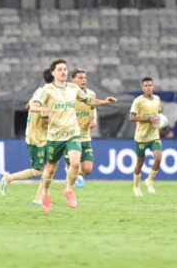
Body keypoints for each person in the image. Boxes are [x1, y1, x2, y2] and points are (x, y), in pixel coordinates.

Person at [30, 59, 116, 213]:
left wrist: (103, 101)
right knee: (50, 170)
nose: (63, 72)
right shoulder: (47, 89)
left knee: (75, 163)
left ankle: (69, 190)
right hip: (55, 136)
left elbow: (88, 100)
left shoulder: (73, 88)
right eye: (60, 69)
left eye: (65, 69)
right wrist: (42, 109)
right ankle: (46, 195)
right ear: (53, 73)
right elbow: (33, 106)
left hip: (73, 133)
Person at [0, 69, 53, 204]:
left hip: (44, 135)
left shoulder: (41, 92)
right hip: (36, 136)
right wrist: (47, 113)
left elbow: (27, 105)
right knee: (38, 170)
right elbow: (35, 109)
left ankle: (39, 198)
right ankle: (7, 178)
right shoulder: (44, 92)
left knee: (50, 167)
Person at [129, 77, 163, 197]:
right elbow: (132, 117)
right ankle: (136, 186)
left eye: (150, 85)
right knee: (140, 163)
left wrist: (160, 122)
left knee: (158, 158)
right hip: (141, 137)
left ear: (153, 87)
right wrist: (148, 119)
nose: (148, 88)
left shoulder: (157, 99)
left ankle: (149, 180)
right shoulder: (138, 101)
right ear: (143, 88)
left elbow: (159, 114)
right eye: (146, 86)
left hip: (154, 136)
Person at [64, 68, 97, 189]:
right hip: (70, 136)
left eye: (84, 78)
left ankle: (73, 174)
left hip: (85, 136)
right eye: (80, 78)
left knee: (87, 170)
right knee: (73, 164)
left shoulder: (91, 94)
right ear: (73, 80)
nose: (83, 80)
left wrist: (94, 119)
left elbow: (93, 107)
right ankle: (69, 192)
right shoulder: (67, 95)